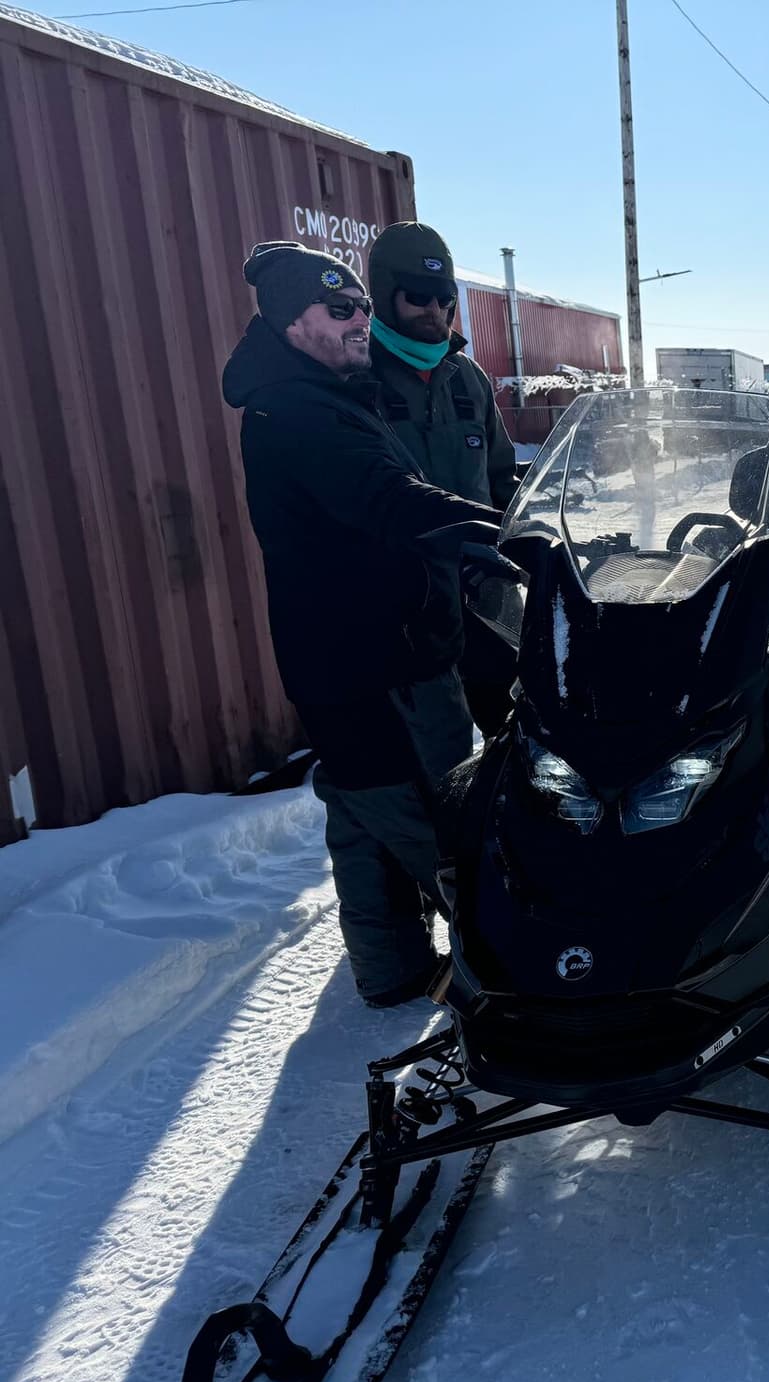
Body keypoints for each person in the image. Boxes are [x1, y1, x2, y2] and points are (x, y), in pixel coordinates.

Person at [221, 241, 513, 1007]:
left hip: (347, 654)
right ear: (292, 322)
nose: (361, 323)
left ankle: (392, 971)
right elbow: (389, 498)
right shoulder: (302, 410)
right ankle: (516, 981)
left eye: (359, 306)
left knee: (358, 804)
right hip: (388, 659)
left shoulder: (318, 394)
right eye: (342, 309)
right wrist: (510, 542)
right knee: (439, 817)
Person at [364, 222, 521, 734]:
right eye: (418, 296)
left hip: (484, 591)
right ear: (386, 297)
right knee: (438, 751)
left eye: (444, 298)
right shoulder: (356, 377)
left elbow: (500, 478)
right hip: (407, 603)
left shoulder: (467, 378)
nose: (434, 310)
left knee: (520, 733)